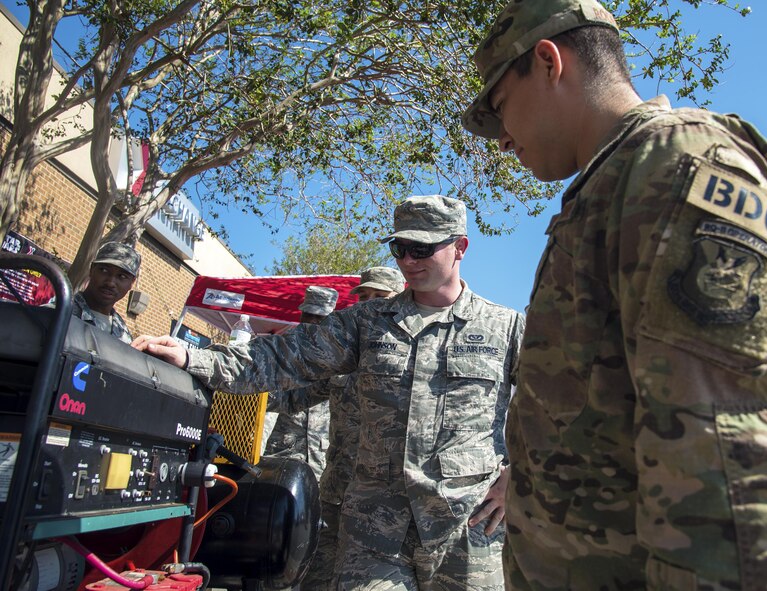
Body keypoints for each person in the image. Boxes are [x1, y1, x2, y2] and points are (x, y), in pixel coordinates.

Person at [461, 1, 767, 589]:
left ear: (549, 61)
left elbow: (734, 462)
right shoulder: (609, 186)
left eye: (501, 108)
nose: (501, 140)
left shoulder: (676, 168)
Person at [133, 195, 525, 590]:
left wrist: (520, 474)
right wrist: (193, 357)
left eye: (421, 248)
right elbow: (283, 356)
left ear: (460, 246)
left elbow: (557, 408)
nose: (408, 260)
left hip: (466, 528)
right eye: (399, 248)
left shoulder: (506, 328)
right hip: (375, 530)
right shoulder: (367, 323)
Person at [301, 266, 406, 591]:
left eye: (380, 297)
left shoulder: (415, 356)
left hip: (385, 505)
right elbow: (295, 395)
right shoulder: (344, 354)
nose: (370, 304)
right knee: (317, 578)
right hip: (336, 494)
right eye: (365, 296)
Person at [264, 285, 339, 482]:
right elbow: (264, 397)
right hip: (282, 451)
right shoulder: (282, 348)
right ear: (301, 314)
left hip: (320, 457)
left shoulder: (339, 355)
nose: (313, 322)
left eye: (320, 317)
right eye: (309, 315)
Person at [71, 241, 140, 344]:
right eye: (104, 270)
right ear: (92, 270)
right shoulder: (61, 311)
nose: (111, 283)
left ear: (131, 283)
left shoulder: (123, 333)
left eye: (122, 276)